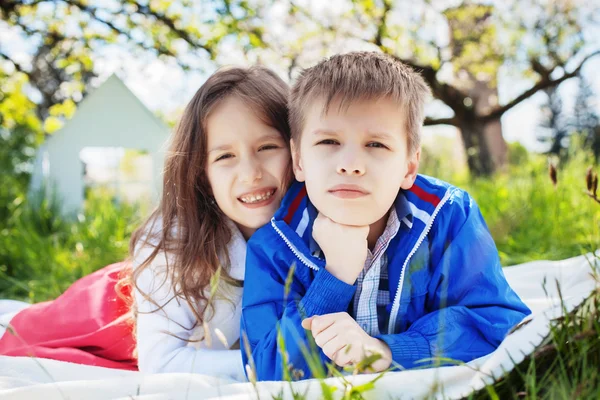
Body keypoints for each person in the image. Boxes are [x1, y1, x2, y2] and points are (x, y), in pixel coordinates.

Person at [241, 51, 531, 381]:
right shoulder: (274, 246)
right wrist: (334, 277)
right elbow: (263, 370)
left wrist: (386, 352)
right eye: (328, 141)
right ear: (299, 160)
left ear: (409, 165)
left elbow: (495, 319)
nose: (350, 164)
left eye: (376, 145)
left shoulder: (448, 216)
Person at [0, 65, 293, 381]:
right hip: (108, 316)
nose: (251, 172)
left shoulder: (320, 225)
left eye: (267, 147)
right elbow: (162, 362)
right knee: (19, 338)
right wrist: (274, 366)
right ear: (202, 174)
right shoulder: (173, 242)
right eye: (225, 157)